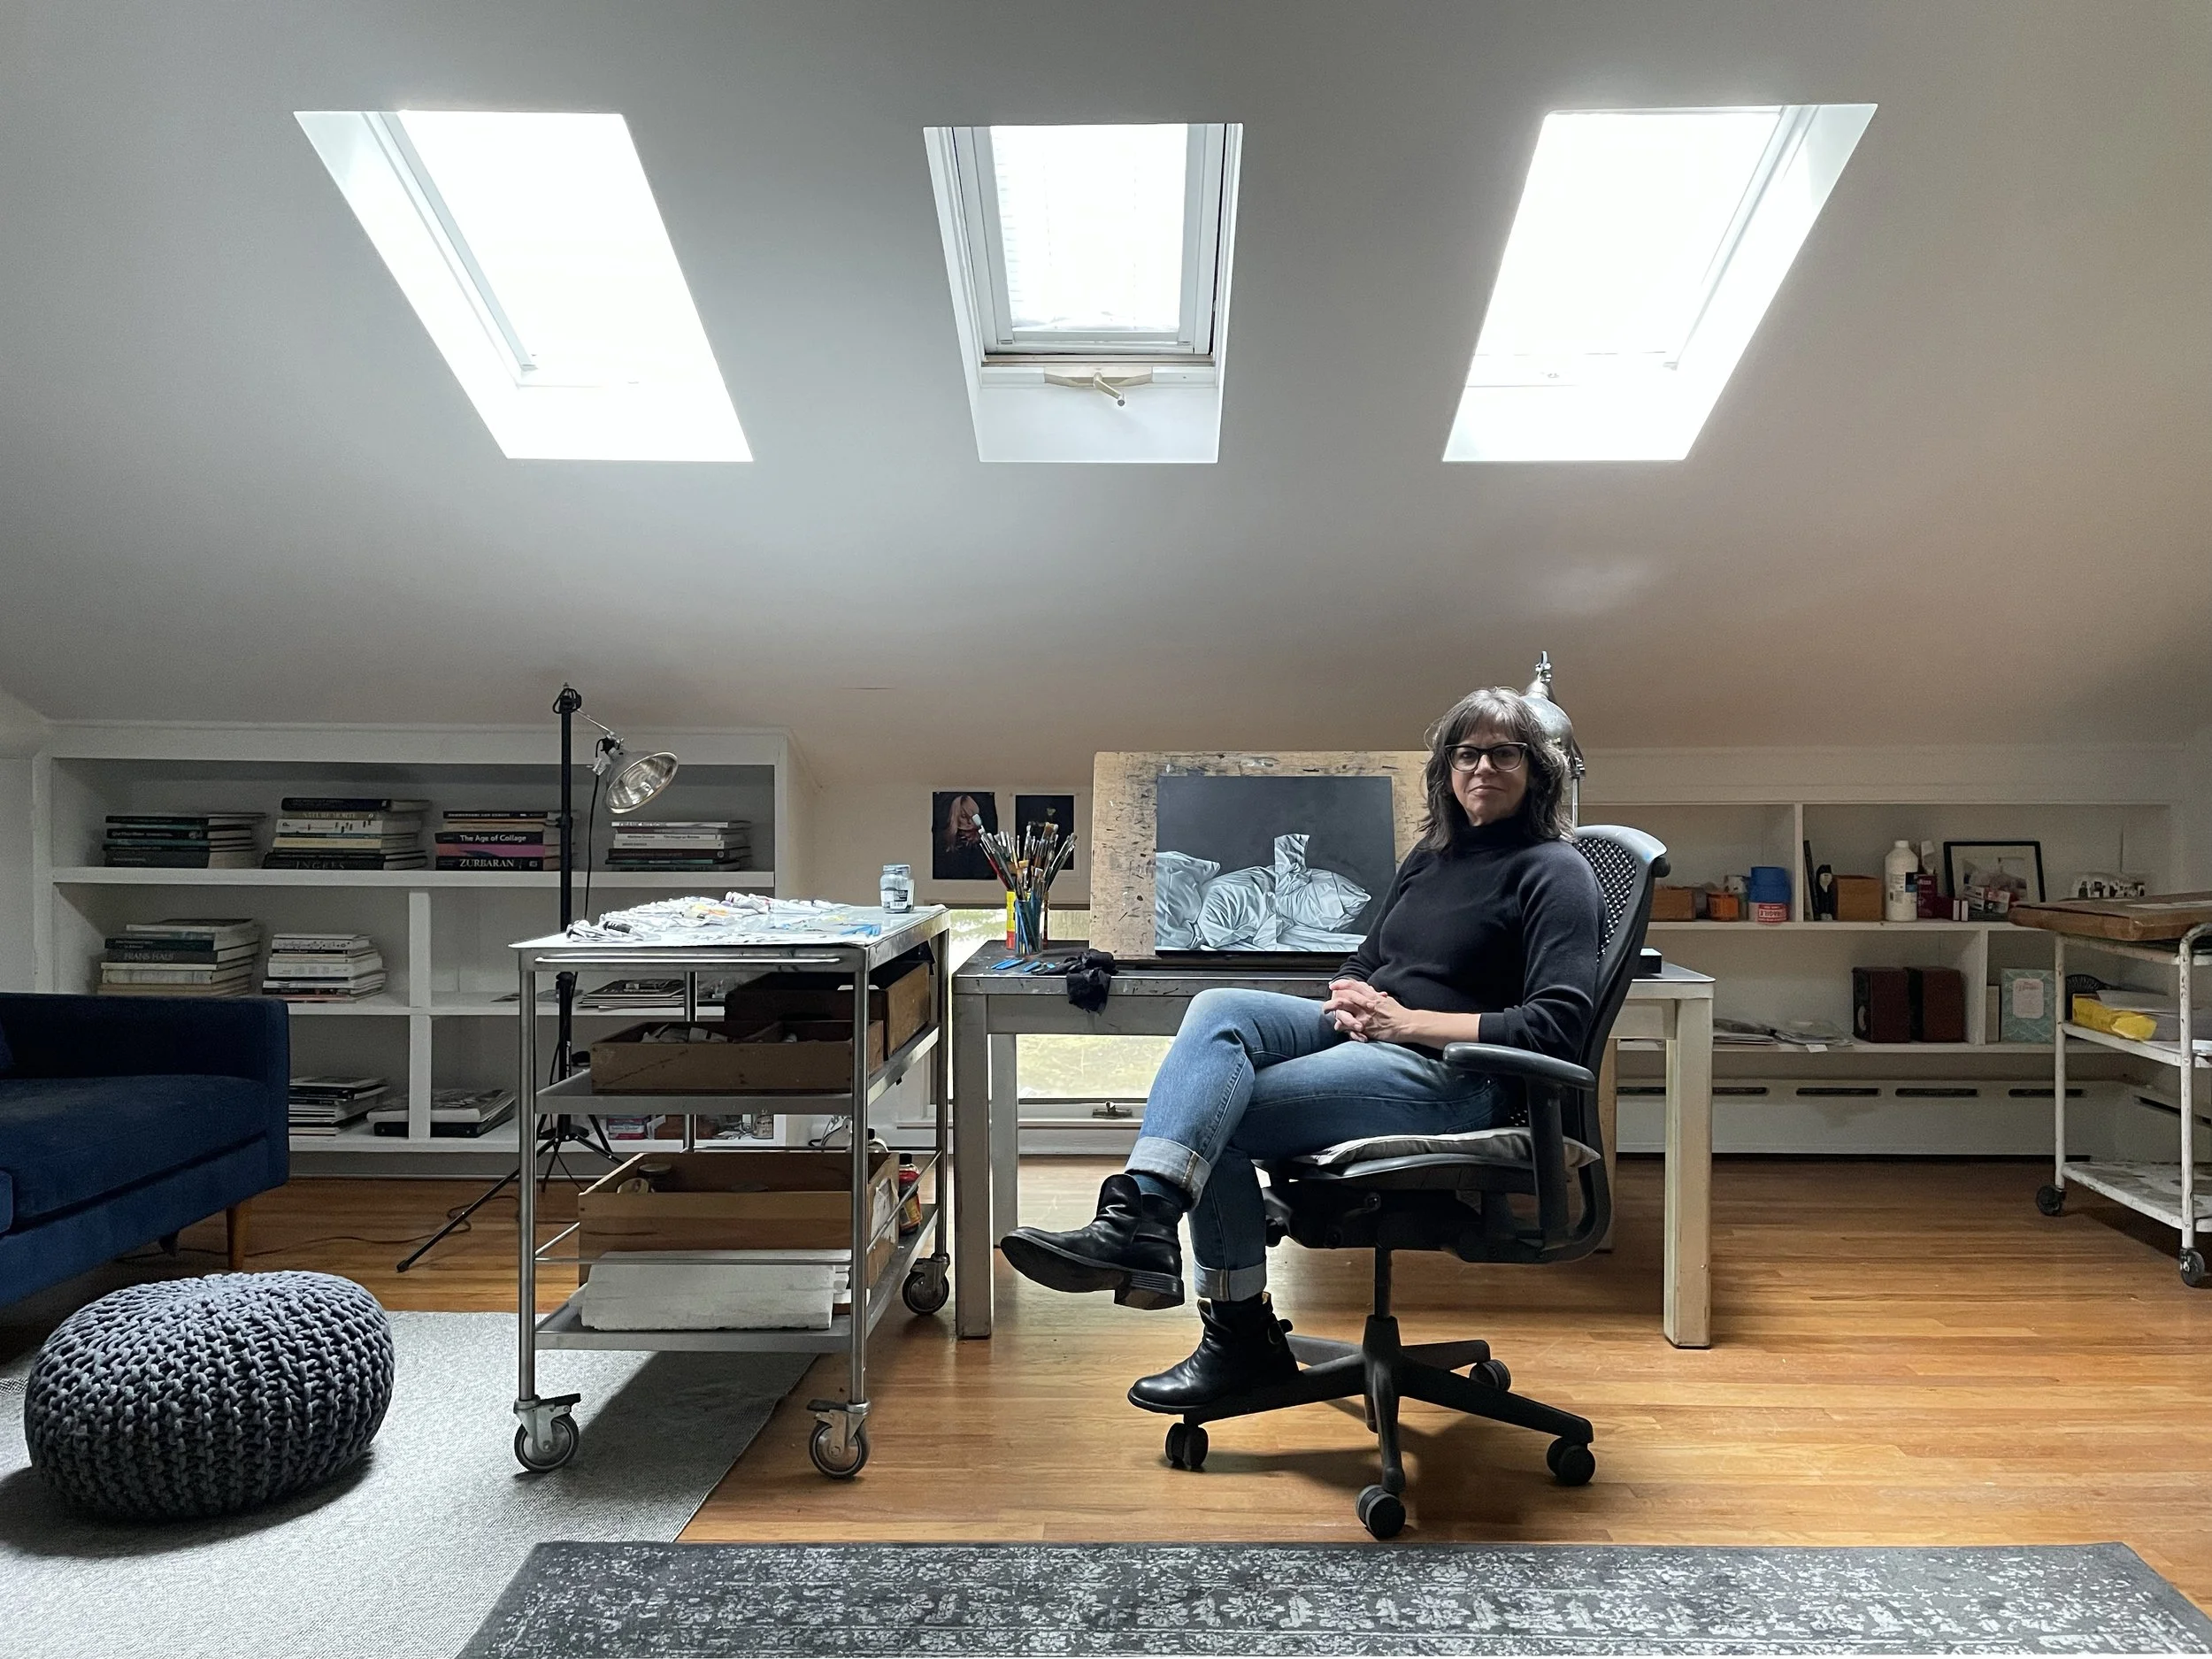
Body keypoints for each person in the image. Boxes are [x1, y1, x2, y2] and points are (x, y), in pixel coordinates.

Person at [999, 687, 1602, 1413]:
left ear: (1537, 769)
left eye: (1504, 753)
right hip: (1379, 1032)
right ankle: (1144, 1220)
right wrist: (1352, 992)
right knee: (1218, 1008)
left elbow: (1555, 1027)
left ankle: (1234, 1336)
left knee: (1218, 1117)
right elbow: (1370, 954)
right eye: (1467, 753)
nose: (1482, 767)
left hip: (1457, 1076)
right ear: (1446, 769)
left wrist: (1405, 1022)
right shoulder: (1433, 857)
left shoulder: (1555, 871)